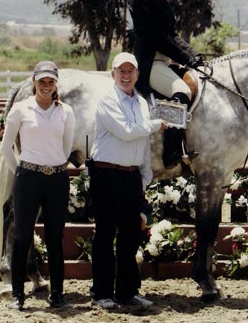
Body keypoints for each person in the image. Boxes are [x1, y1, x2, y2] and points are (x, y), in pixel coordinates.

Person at [88, 52, 167, 309]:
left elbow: (142, 143)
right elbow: (127, 132)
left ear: (137, 74)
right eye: (121, 71)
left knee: (131, 235)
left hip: (131, 175)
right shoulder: (107, 100)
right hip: (106, 173)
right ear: (113, 74)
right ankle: (101, 292)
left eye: (130, 71)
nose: (125, 75)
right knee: (105, 233)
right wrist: (156, 125)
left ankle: (127, 291)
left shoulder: (141, 102)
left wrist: (144, 175)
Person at [1, 61, 75, 310]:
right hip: (28, 178)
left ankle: (57, 294)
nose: (46, 86)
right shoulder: (21, 109)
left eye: (50, 81)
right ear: (34, 81)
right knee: (23, 237)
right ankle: (18, 294)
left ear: (56, 84)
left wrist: (54, 167)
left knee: (55, 237)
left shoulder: (66, 111)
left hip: (56, 178)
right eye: (41, 81)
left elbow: (66, 148)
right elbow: (6, 147)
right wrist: (21, 172)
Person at [130, 0, 200, 169]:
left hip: (165, 60)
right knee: (181, 91)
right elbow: (158, 38)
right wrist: (185, 57)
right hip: (150, 63)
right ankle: (172, 152)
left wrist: (193, 55)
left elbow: (172, 34)